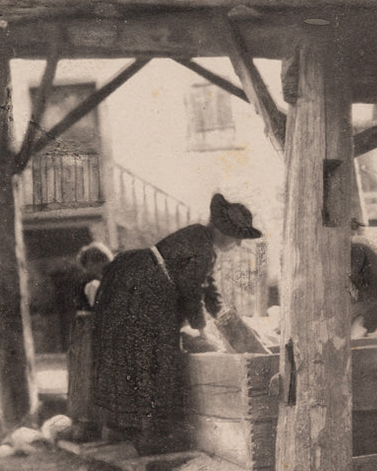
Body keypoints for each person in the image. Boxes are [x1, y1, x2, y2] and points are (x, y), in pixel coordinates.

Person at [92, 193, 262, 455]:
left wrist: (223, 316)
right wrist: (201, 329)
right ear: (224, 231)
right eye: (237, 236)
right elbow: (191, 289)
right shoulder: (203, 246)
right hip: (144, 293)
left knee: (141, 359)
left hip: (140, 286)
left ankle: (139, 430)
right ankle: (151, 438)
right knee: (155, 360)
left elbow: (206, 286)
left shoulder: (202, 240)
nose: (238, 244)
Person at [66, 242, 114, 442]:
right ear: (95, 263)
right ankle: (92, 424)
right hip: (91, 331)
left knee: (84, 376)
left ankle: (85, 424)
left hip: (82, 331)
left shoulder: (84, 279)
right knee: (92, 376)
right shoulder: (93, 283)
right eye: (105, 264)